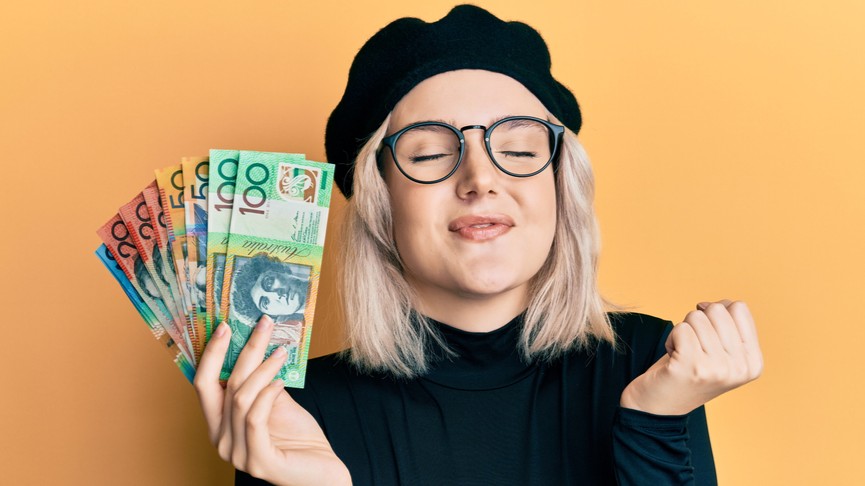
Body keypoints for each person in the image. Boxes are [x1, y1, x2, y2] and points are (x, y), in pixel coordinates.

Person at [194, 5, 763, 485]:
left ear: (562, 189)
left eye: (517, 149)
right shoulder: (294, 412)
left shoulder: (651, 366)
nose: (480, 178)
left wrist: (654, 423)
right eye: (429, 155)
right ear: (379, 202)